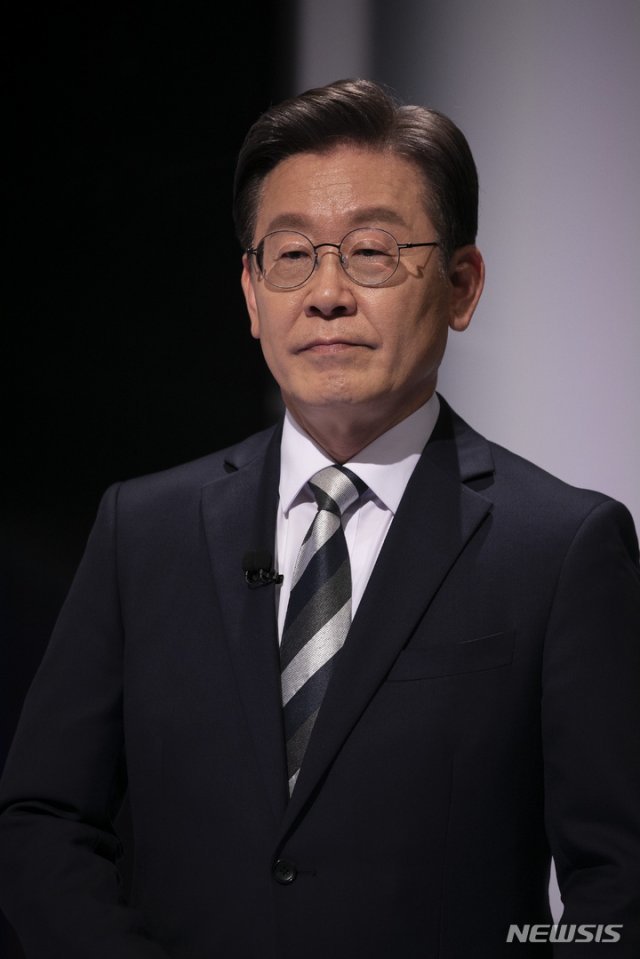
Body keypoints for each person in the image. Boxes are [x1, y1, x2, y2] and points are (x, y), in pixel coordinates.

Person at [0, 78, 639, 959]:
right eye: (292, 254)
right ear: (251, 292)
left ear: (461, 285)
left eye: (372, 251)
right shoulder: (141, 531)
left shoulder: (561, 548)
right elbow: (41, 817)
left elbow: (620, 881)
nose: (327, 292)